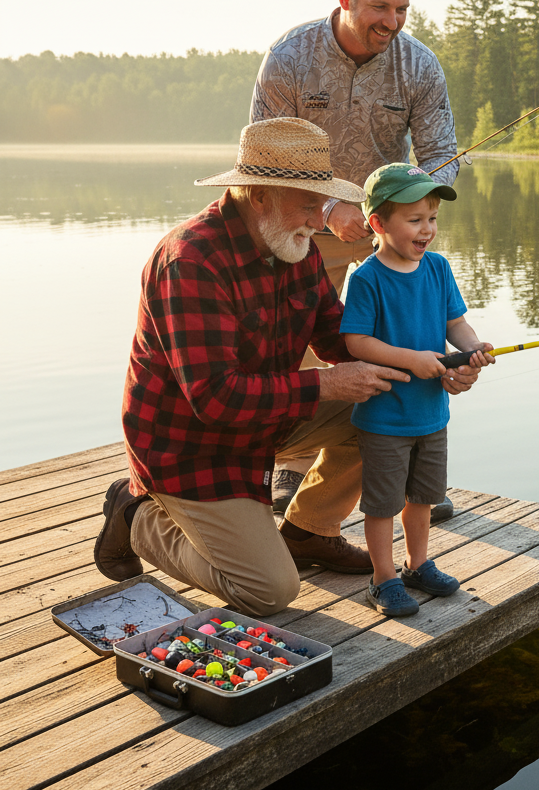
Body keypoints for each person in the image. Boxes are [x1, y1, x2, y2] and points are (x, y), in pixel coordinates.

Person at [94, 117, 420, 615]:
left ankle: (309, 530)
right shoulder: (190, 261)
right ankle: (135, 514)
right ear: (261, 194)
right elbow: (215, 399)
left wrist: (421, 362)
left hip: (263, 423)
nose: (318, 220)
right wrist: (326, 385)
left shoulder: (295, 244)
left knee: (393, 402)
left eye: (322, 203)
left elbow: (336, 335)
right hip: (189, 448)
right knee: (268, 592)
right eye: (308, 203)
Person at [250, 0, 462, 517]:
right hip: (297, 225)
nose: (392, 22)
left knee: (399, 343)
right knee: (299, 344)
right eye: (379, 8)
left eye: (402, 9)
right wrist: (326, 211)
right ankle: (292, 469)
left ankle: (404, 465)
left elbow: (443, 154)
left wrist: (408, 204)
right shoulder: (289, 59)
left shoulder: (419, 65)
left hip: (381, 232)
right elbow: (265, 162)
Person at [340, 163, 494, 617]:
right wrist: (413, 359)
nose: (427, 229)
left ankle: (417, 564)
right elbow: (357, 342)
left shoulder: (439, 268)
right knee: (382, 505)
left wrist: (471, 348)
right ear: (378, 223)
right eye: (415, 219)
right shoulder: (367, 278)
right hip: (385, 417)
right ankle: (383, 578)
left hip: (431, 412)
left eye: (432, 218)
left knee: (424, 498)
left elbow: (455, 324)